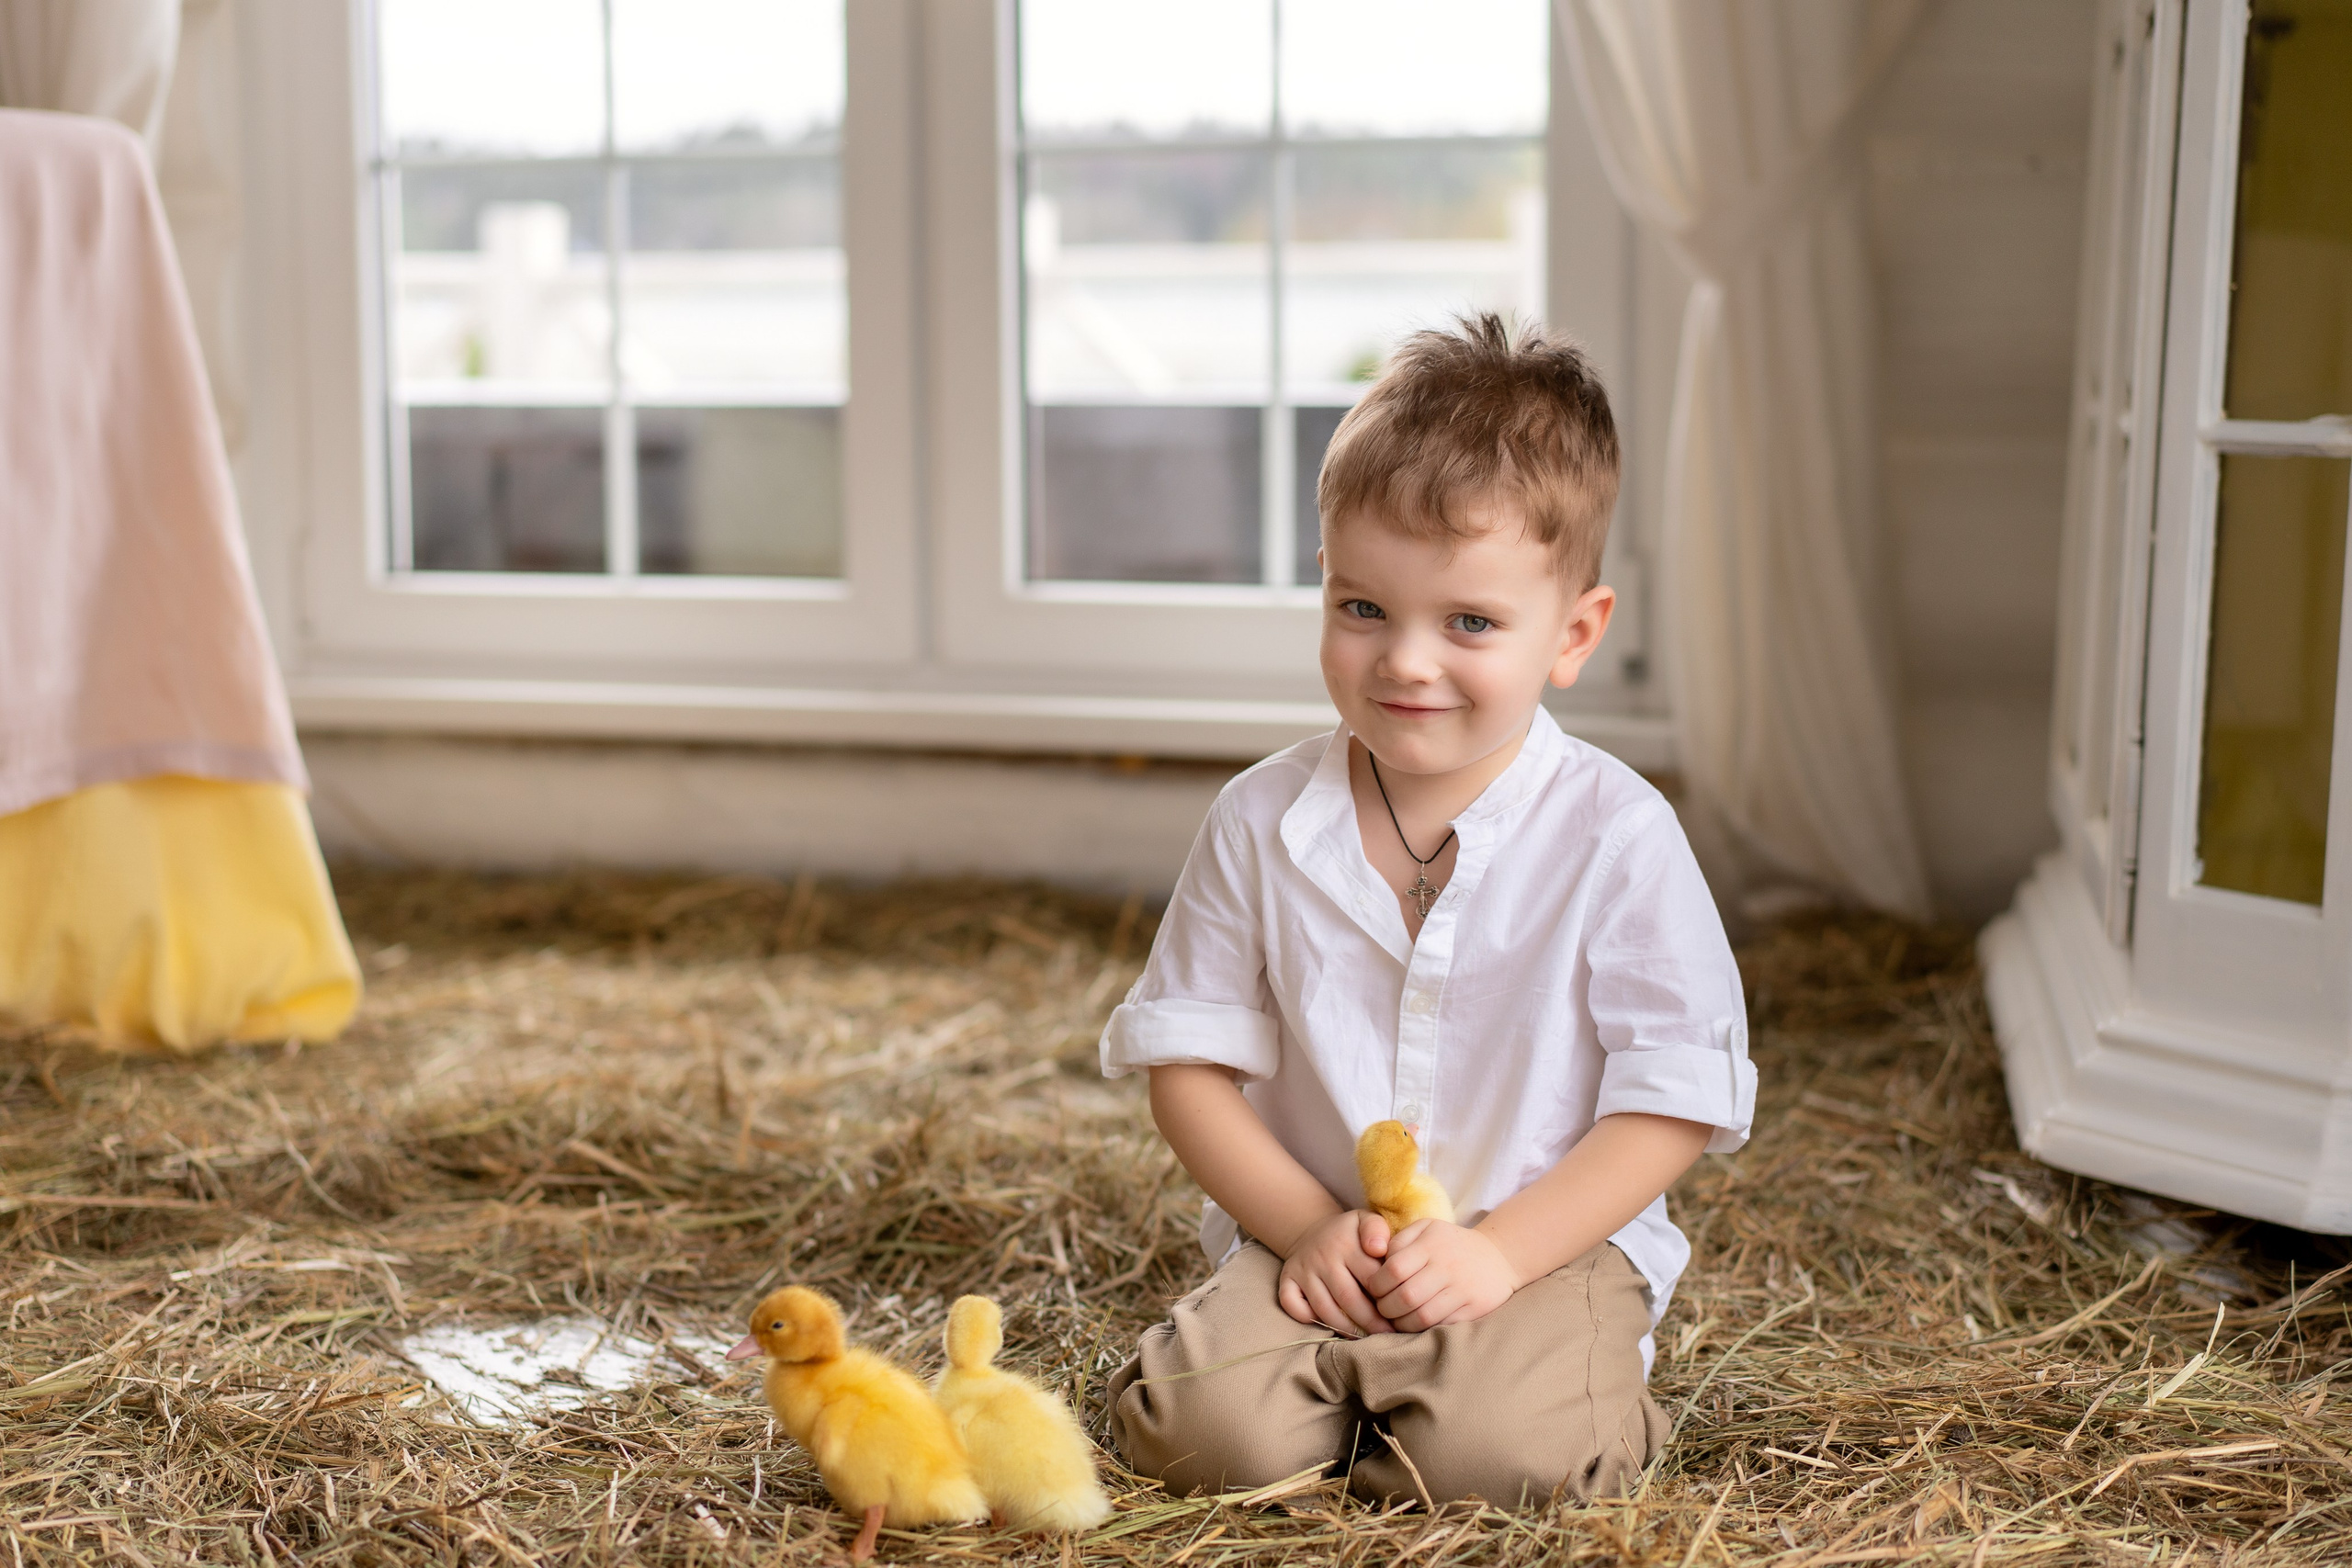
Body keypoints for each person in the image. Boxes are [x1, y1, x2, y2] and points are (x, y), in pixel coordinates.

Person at [1099, 314, 1755, 1507]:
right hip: (1320, 1237)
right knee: (1204, 1445)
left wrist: (1497, 1254)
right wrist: (1302, 1226)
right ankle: (1338, 1382)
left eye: (1470, 623)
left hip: (1539, 1241)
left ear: (1574, 634)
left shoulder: (1617, 834)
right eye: (1364, 610)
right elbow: (1185, 1067)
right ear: (1327, 590)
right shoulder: (1260, 819)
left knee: (1495, 1465)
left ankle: (1550, 1387)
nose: (1406, 662)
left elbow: (1671, 1104)